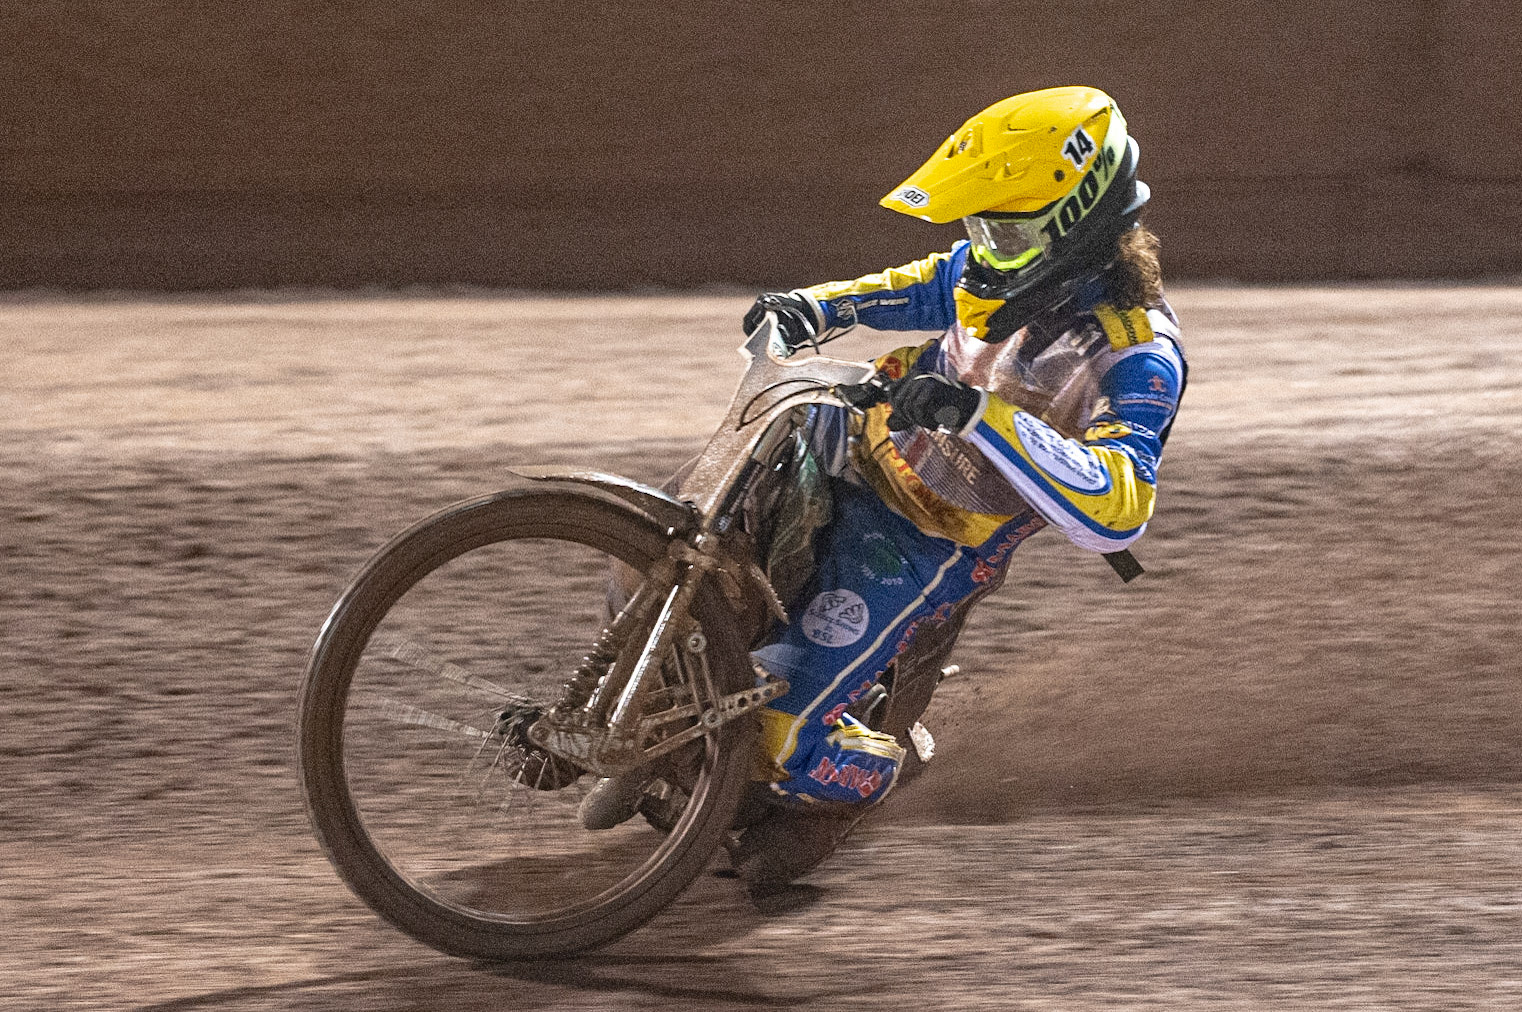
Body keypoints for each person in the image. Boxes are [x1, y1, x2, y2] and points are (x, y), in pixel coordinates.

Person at [726, 85, 1187, 891]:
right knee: (686, 530)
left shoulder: (1136, 355)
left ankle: (876, 767)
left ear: (1074, 225)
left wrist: (980, 415)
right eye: (978, 226)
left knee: (775, 740)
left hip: (929, 538)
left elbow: (1120, 507)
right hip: (857, 441)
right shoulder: (998, 266)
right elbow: (915, 284)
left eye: (1002, 229)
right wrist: (810, 307)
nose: (985, 246)